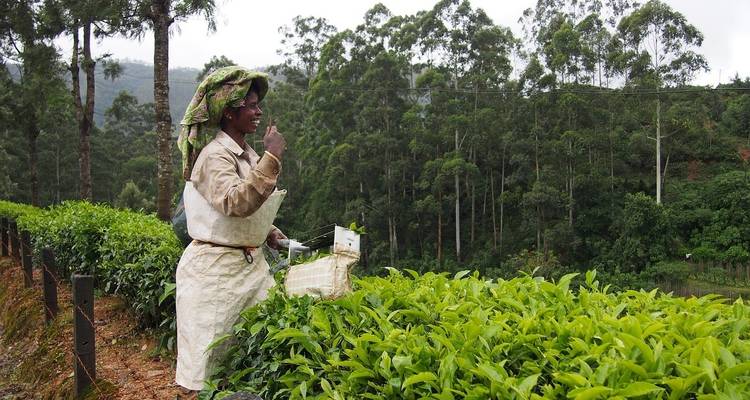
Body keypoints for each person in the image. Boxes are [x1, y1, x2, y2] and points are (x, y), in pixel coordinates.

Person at [174, 66, 287, 391]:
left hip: (249, 270)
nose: (258, 111)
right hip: (215, 276)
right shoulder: (214, 157)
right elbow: (234, 202)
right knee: (207, 373)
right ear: (228, 113)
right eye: (251, 105)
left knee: (247, 361)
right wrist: (272, 158)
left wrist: (268, 231)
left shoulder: (245, 155)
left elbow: (247, 210)